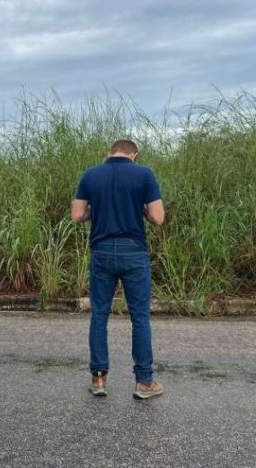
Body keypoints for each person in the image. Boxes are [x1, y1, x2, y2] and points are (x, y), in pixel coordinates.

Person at [71, 139, 165, 399]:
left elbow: (77, 215)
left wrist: (96, 209)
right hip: (133, 251)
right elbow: (158, 218)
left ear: (110, 152)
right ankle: (144, 382)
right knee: (140, 317)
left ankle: (99, 379)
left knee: (99, 315)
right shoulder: (144, 174)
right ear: (135, 154)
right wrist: (141, 208)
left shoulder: (91, 174)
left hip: (101, 251)